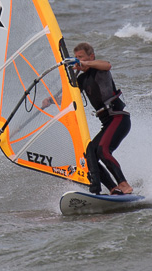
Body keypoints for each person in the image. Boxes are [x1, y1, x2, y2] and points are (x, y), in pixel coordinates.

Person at [44, 42, 133, 195]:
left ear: (91, 57)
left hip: (118, 118)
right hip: (106, 122)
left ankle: (124, 185)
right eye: (76, 58)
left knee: (103, 150)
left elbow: (107, 65)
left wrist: (84, 63)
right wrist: (50, 100)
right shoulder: (82, 79)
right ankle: (113, 188)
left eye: (82, 57)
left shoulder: (100, 70)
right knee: (90, 154)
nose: (78, 60)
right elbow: (66, 98)